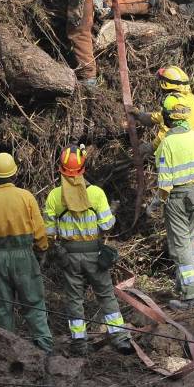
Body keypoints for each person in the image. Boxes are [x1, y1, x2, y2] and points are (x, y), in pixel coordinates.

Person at [43, 145, 133, 356]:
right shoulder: (96, 193)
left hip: (69, 257)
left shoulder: (54, 197)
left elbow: (48, 232)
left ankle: (79, 344)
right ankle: (120, 338)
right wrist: (112, 211)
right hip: (95, 255)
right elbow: (107, 225)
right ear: (84, 168)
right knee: (106, 295)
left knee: (74, 300)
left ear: (61, 169)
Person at [134, 65, 194, 267]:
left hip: (191, 148)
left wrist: (147, 148)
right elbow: (167, 116)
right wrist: (144, 117)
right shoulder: (186, 97)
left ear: (164, 84)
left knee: (182, 198)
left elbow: (166, 133)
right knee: (190, 200)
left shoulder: (172, 100)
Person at [0, 152, 53, 352]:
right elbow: (39, 231)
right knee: (33, 302)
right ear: (14, 174)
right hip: (24, 255)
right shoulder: (26, 197)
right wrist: (42, 250)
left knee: (3, 307)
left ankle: (9, 351)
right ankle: (44, 348)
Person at [154, 94, 194, 310]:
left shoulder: (167, 144)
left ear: (169, 118)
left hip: (177, 201)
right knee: (190, 240)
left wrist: (156, 203)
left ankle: (192, 299)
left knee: (181, 249)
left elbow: (164, 183)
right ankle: (184, 290)